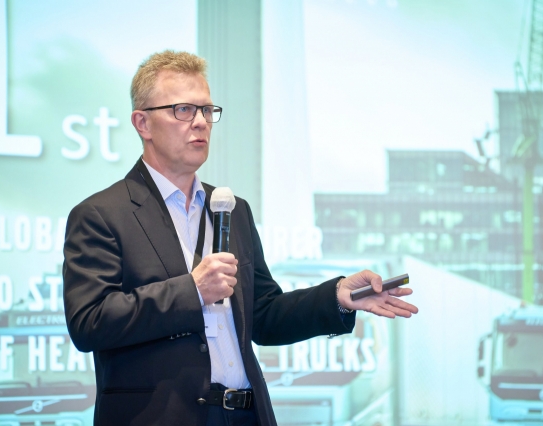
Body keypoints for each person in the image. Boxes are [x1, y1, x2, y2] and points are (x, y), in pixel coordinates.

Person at [62, 50, 418, 426]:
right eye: (183, 110)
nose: (200, 122)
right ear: (143, 123)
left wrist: (338, 297)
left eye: (206, 110)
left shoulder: (232, 209)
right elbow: (90, 322)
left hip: (245, 415)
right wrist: (192, 291)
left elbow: (263, 316)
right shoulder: (102, 215)